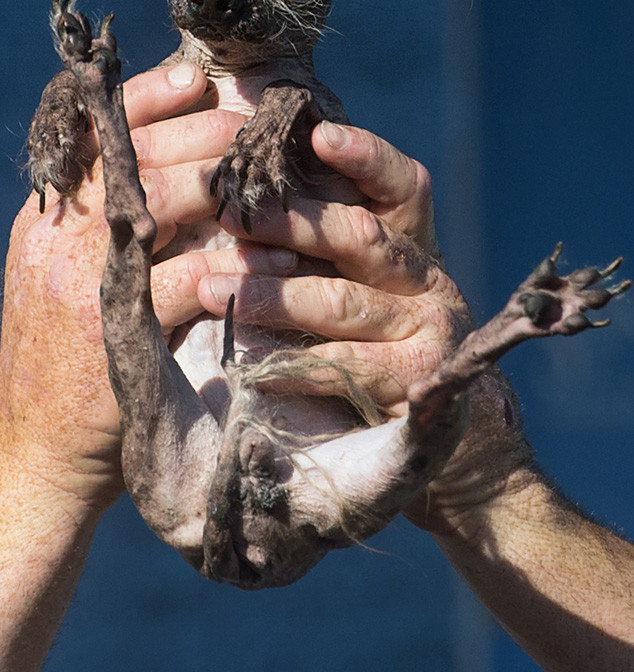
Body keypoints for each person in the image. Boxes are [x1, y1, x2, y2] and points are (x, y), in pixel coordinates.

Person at [0, 63, 632, 672]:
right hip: (282, 478)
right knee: (419, 426)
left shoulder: (303, 101)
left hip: (258, 476)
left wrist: (485, 480)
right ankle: (493, 345)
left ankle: (477, 361)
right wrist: (41, 474)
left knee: (419, 428)